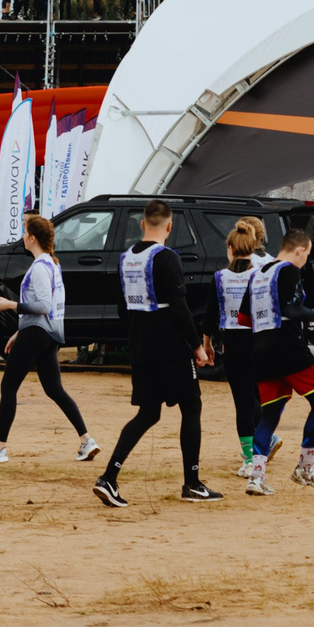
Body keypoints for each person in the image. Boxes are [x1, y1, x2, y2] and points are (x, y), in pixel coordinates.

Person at [94, 198, 221, 506]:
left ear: (141, 224)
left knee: (148, 413)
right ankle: (192, 482)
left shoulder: (125, 258)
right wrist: (196, 347)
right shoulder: (167, 257)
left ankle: (109, 477)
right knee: (191, 407)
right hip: (170, 347)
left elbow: (123, 307)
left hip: (140, 345)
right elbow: (179, 307)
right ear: (170, 225)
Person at [0, 213, 97, 465]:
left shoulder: (41, 267)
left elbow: (42, 305)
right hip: (48, 333)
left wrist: (10, 305)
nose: (21, 236)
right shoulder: (51, 264)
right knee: (54, 389)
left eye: (24, 232)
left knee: (9, 387)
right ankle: (87, 440)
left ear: (32, 238)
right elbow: (48, 308)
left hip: (38, 333)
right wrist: (20, 331)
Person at [247, 226, 314, 490]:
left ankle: (256, 476)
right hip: (288, 348)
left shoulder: (258, 275)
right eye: (307, 255)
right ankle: (305, 468)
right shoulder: (289, 270)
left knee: (269, 415)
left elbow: (244, 317)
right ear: (299, 250)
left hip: (261, 350)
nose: (305, 260)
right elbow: (292, 309)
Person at [212, 217, 271, 482]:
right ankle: (260, 452)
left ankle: (250, 459)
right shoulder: (263, 273)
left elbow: (212, 315)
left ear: (231, 248)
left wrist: (205, 342)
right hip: (259, 342)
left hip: (234, 343)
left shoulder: (220, 277)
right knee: (258, 399)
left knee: (242, 404)